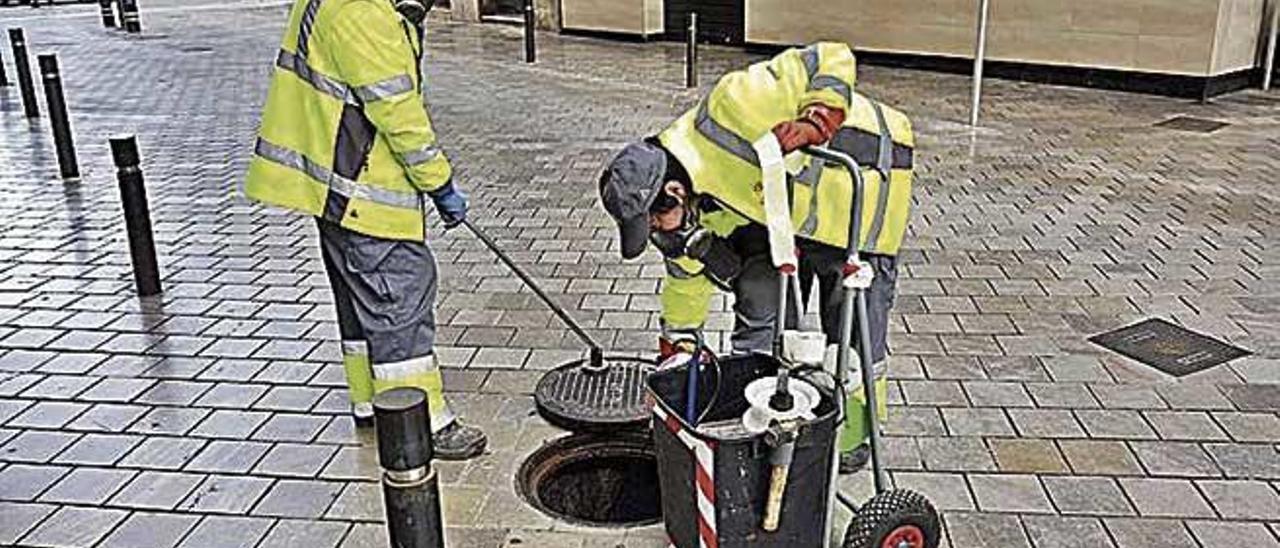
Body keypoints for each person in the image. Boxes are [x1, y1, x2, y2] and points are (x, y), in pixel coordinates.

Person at [598, 42, 914, 472]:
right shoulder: (694, 201)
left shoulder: (735, 104)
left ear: (674, 193)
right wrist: (678, 347)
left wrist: (816, 120)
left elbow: (830, 56)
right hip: (788, 219)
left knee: (854, 341)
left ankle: (854, 437)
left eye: (654, 224)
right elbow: (686, 275)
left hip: (864, 190)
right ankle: (770, 410)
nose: (657, 235)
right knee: (763, 300)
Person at [243, 0, 485, 459]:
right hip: (368, 194)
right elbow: (400, 117)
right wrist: (441, 184)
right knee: (400, 304)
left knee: (359, 305)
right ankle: (421, 424)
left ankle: (372, 404)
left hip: (335, 191)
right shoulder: (364, 15)